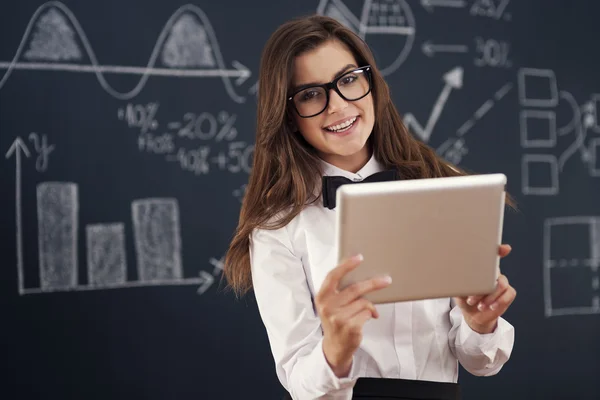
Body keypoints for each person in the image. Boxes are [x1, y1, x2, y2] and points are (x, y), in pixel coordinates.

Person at [223, 14, 517, 400]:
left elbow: (481, 361)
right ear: (289, 116)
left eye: (348, 80)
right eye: (311, 94)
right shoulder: (277, 226)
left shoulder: (446, 186)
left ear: (371, 84)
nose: (338, 106)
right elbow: (299, 379)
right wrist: (336, 350)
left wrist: (480, 323)